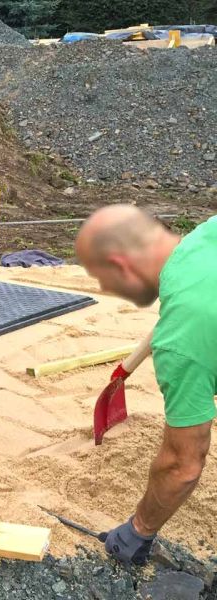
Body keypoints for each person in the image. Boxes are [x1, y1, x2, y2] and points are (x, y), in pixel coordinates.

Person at [75, 205, 216, 565]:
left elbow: (182, 467)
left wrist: (138, 530)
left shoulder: (181, 345)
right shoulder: (205, 236)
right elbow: (195, 305)